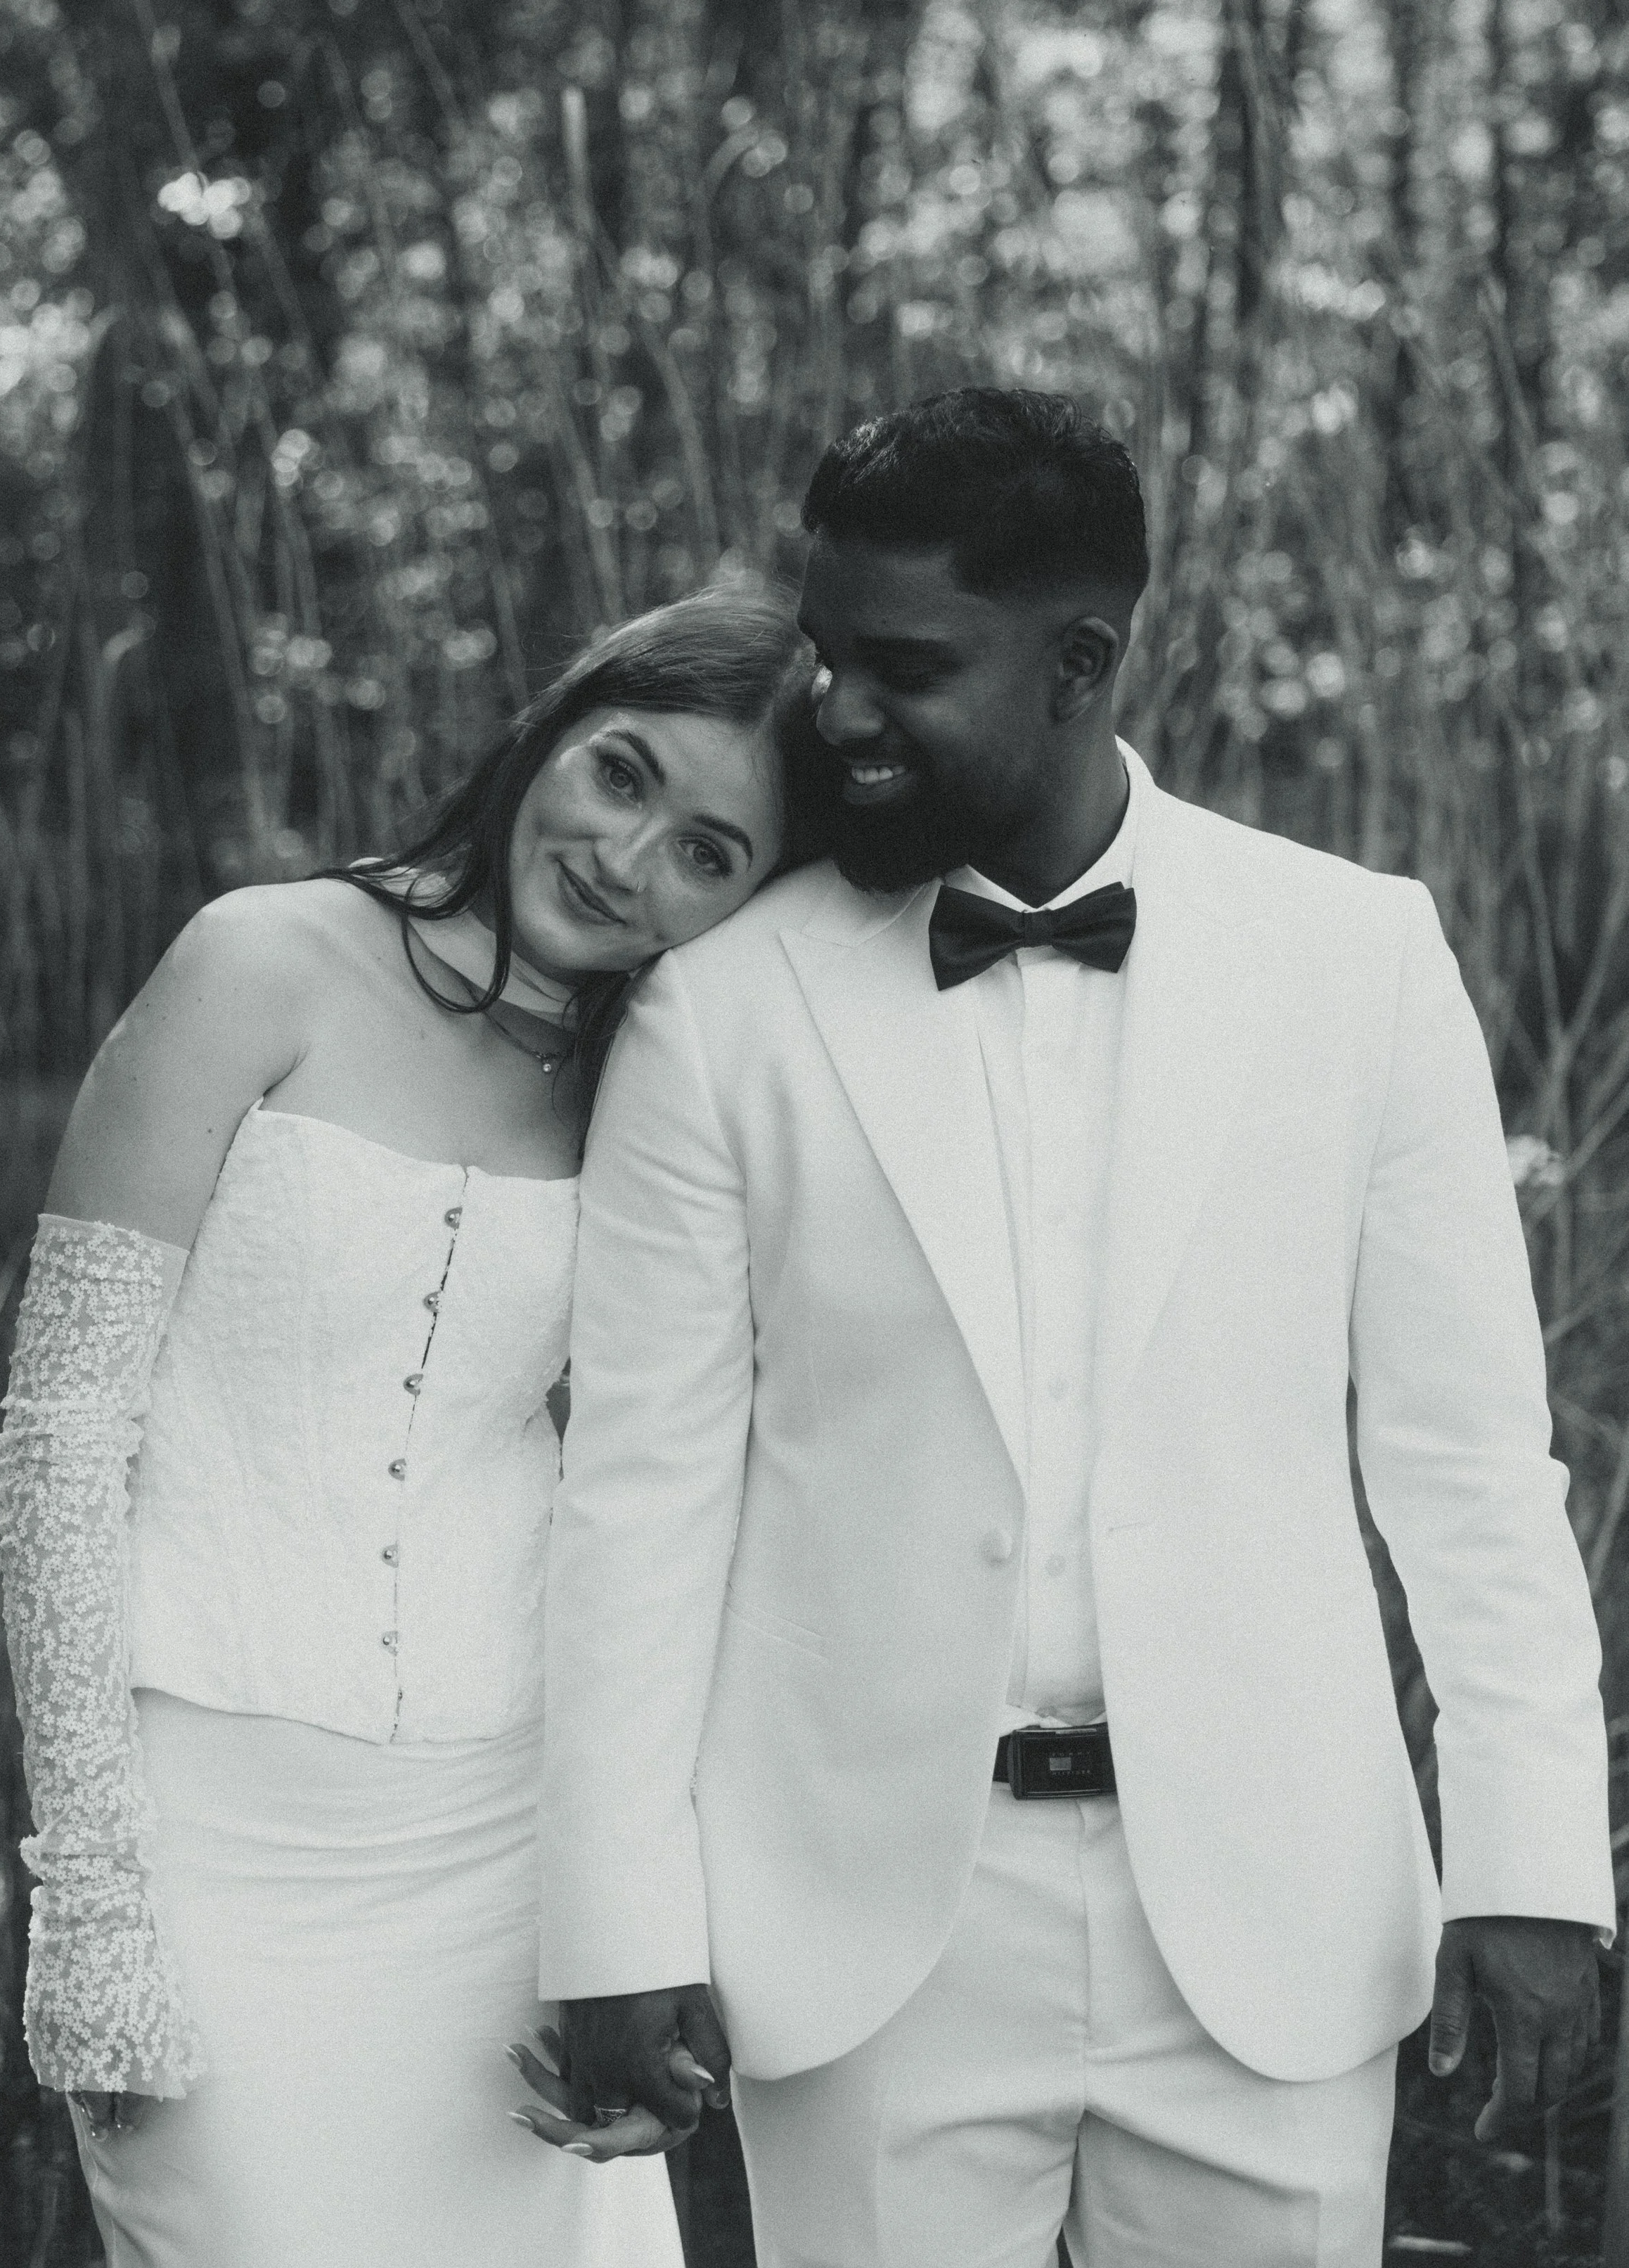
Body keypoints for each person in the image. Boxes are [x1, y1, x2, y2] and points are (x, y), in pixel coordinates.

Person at [524, 392, 1614, 2266]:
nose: (834, 716)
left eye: (904, 669)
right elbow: (639, 1493)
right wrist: (615, 1919)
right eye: (827, 657)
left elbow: (1464, 1460)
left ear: (1079, 661)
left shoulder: (1355, 957)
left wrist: (1527, 1859)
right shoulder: (725, 1008)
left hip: (1269, 1916)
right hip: (863, 1933)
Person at [0, 584, 828, 2268]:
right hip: (207, 1843)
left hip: (508, 1852)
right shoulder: (259, 961)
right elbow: (61, 1433)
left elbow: (678, 1512)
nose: (625, 857)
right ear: (551, 728)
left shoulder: (664, 1082)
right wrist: (92, 1899)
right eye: (621, 773)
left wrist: (640, 1934)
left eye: (706, 852)